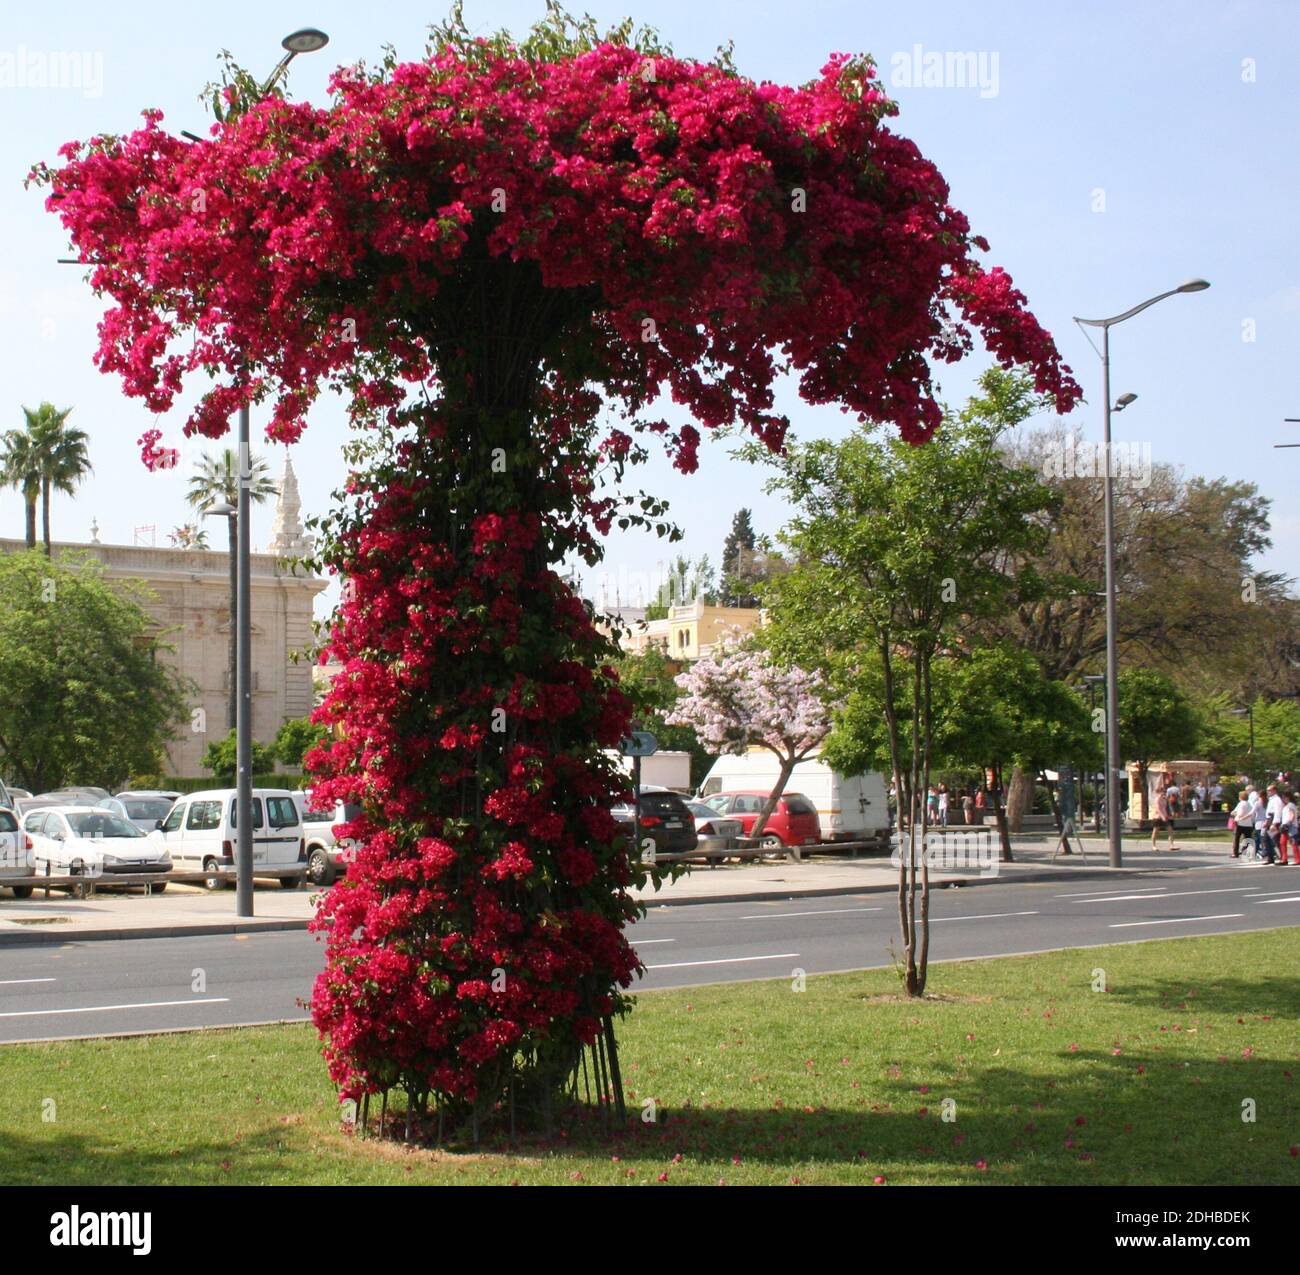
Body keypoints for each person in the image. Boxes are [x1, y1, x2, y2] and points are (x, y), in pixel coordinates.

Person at [1150, 775, 1178, 852]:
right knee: (1155, 831)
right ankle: (1153, 846)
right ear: (1158, 792)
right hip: (1158, 817)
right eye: (1162, 792)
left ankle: (1171, 845)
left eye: (1164, 792)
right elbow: (1158, 809)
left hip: (1165, 817)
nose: (1164, 793)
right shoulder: (1157, 800)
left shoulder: (1164, 799)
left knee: (1170, 830)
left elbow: (1166, 807)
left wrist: (1169, 815)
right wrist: (1163, 816)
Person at [1259, 783, 1283, 865]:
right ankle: (1270, 857)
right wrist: (1267, 821)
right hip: (1269, 819)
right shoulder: (1271, 799)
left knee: (1276, 840)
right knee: (1266, 839)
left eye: (1270, 790)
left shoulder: (1277, 800)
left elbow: (1277, 812)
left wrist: (1274, 823)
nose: (1268, 792)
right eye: (1267, 790)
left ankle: (1283, 857)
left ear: (1275, 790)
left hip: (1274, 820)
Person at [1230, 788, 1256, 858]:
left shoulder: (1241, 804)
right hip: (1248, 824)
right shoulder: (1249, 804)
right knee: (1248, 838)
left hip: (1240, 823)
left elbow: (1239, 813)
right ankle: (1246, 851)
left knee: (1236, 838)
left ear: (1240, 797)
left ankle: (1235, 853)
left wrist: (1235, 814)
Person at [1280, 791, 1298, 866]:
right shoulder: (1287, 805)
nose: (1282, 799)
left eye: (1283, 797)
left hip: (1290, 826)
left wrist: (1287, 823)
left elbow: (1292, 815)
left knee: (1293, 843)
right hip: (1286, 826)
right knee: (1282, 842)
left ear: (1287, 797)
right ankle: (1284, 859)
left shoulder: (1290, 805)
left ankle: (1297, 859)